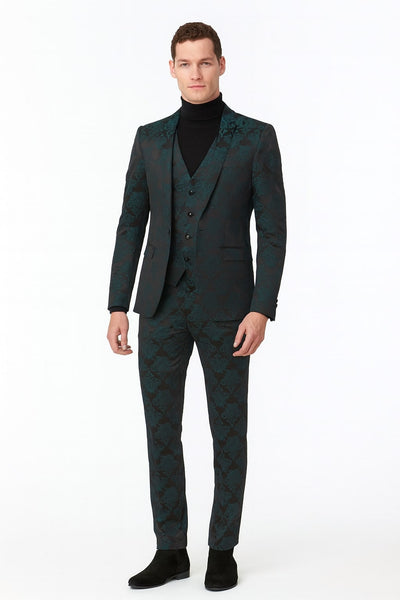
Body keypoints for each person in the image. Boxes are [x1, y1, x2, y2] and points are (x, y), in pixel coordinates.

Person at [106, 21, 287, 591]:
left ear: (222, 65)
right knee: (160, 430)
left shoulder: (255, 138)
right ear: (172, 69)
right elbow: (131, 223)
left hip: (230, 309)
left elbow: (273, 231)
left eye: (205, 62)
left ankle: (222, 548)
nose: (196, 73)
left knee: (228, 430)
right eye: (185, 64)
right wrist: (117, 304)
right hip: (159, 306)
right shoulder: (150, 139)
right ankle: (171, 550)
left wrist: (262, 307)